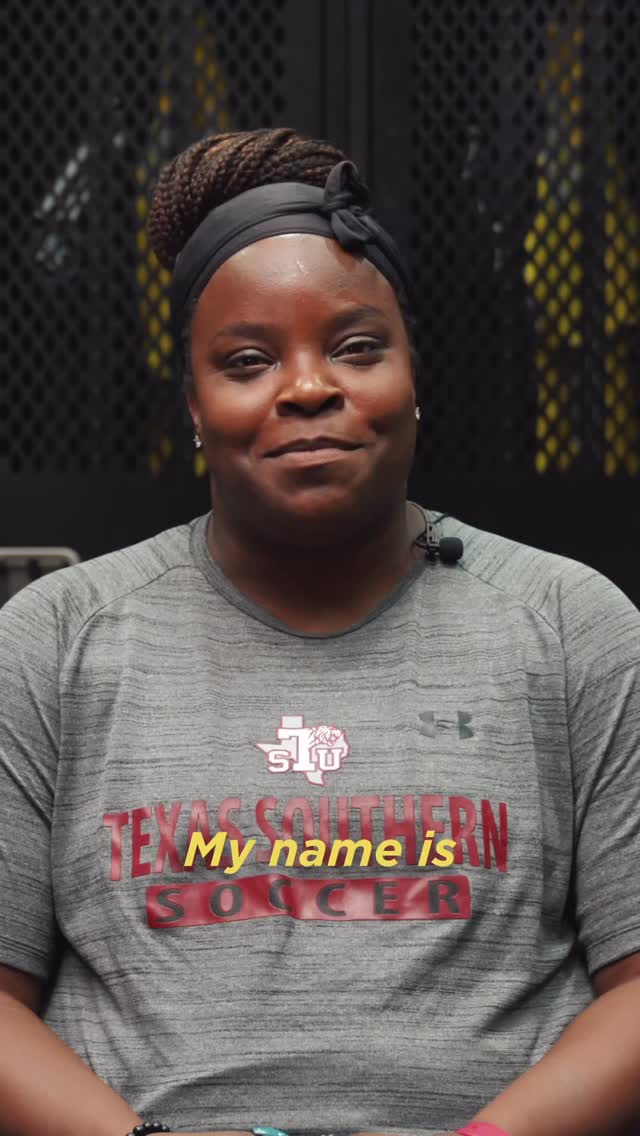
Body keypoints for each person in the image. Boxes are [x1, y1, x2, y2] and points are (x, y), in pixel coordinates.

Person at [0, 126, 639, 1136]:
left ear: (412, 378)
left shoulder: (571, 626)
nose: (306, 386)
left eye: (355, 347)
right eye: (248, 360)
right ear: (195, 407)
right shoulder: (52, 642)